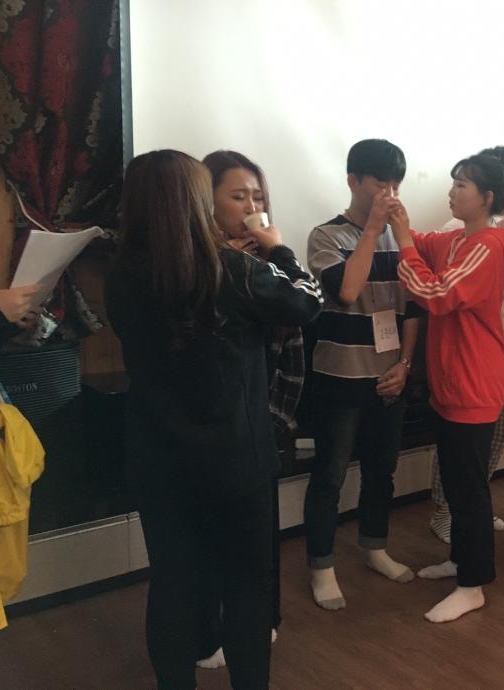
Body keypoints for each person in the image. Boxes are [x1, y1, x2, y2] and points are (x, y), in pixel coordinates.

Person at [106, 149, 322, 689]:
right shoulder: (232, 270)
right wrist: (279, 249)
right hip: (236, 461)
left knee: (173, 585)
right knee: (246, 590)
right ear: (197, 201)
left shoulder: (123, 273)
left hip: (157, 459)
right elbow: (307, 302)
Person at [391, 153, 504, 623]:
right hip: (452, 382)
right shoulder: (459, 239)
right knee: (456, 481)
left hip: (474, 383)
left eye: (461, 184)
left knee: (469, 491)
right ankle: (460, 561)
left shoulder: (487, 244)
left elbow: (435, 295)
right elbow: (423, 242)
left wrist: (402, 238)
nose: (452, 191)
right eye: (453, 182)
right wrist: (398, 221)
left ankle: (473, 585)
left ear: (486, 197)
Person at [192, 150, 305, 668]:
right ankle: (213, 630)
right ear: (207, 201)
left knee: (260, 538)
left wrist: (275, 420)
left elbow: (296, 334)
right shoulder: (195, 263)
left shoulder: (266, 263)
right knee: (211, 538)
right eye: (238, 196)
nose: (251, 207)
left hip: (261, 419)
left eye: (257, 196)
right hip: (211, 425)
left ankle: (264, 621)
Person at [304, 139, 420, 611]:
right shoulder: (326, 236)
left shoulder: (403, 237)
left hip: (390, 374)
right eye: (380, 183)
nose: (389, 194)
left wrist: (405, 365)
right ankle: (321, 566)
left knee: (381, 470)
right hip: (341, 375)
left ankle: (375, 547)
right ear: (353, 181)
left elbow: (414, 308)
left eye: (396, 184)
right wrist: (372, 231)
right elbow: (348, 292)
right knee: (329, 475)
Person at [428, 145, 504, 544]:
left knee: (485, 445)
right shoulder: (462, 233)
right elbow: (440, 294)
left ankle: (470, 521)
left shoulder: (498, 234)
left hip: (489, 355)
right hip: (468, 360)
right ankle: (449, 514)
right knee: (461, 454)